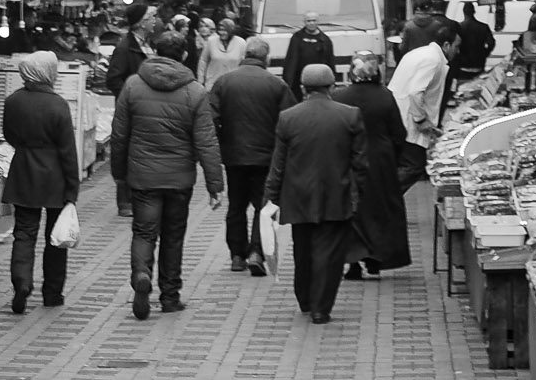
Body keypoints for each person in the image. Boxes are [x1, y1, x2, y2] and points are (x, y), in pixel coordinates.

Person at [109, 32, 224, 319]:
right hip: (179, 179)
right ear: (184, 55)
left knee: (144, 231)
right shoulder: (195, 91)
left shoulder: (133, 85)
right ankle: (170, 296)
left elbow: (119, 134)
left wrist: (119, 173)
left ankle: (141, 273)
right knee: (173, 237)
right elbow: (206, 142)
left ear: (154, 51)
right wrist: (214, 185)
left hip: (143, 176)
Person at [265, 62, 368, 325]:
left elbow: (279, 163)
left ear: (302, 88)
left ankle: (306, 299)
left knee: (303, 250)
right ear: (332, 87)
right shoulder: (350, 115)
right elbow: (360, 163)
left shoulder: (288, 117)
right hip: (337, 194)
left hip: (298, 195)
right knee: (330, 254)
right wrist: (358, 195)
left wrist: (271, 198)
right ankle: (321, 307)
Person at [0, 51, 81, 314]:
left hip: (23, 170)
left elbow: (8, 134)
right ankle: (52, 293)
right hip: (54, 175)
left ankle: (21, 282)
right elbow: (68, 150)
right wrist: (72, 187)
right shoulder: (58, 105)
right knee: (55, 238)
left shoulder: (13, 101)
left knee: (24, 232)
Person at [209, 38, 295, 276]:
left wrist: (221, 142)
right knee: (263, 205)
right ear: (265, 58)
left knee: (236, 205)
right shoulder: (277, 85)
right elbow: (289, 120)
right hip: (266, 156)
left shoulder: (224, 81)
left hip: (234, 156)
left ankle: (237, 255)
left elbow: (211, 117)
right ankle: (256, 251)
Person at [331, 52, 411, 279]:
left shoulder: (339, 96)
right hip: (380, 160)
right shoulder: (385, 96)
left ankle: (354, 260)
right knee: (380, 210)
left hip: (349, 158)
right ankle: (377, 259)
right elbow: (398, 132)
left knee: (353, 210)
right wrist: (394, 156)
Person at [386, 24, 452, 192]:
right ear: (446, 45)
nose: (457, 52)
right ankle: (386, 199)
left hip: (398, 114)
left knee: (403, 163)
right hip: (408, 119)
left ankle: (387, 201)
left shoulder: (420, 53)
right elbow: (416, 91)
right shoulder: (433, 59)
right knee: (413, 165)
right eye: (456, 47)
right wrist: (421, 119)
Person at [104, 2, 155, 98]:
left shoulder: (148, 44)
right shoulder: (124, 48)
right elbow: (113, 80)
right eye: (151, 17)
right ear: (142, 23)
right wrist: (132, 98)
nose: (154, 20)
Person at [281, 13, 338, 98]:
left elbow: (330, 62)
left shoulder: (325, 40)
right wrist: (288, 82)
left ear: (318, 22)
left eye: (314, 20)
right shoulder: (296, 38)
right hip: (298, 82)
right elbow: (290, 61)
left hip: (320, 81)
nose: (311, 23)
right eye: (309, 21)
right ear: (304, 22)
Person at [197, 18, 246, 91]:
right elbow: (203, 61)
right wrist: (200, 81)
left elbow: (244, 63)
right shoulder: (211, 41)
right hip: (212, 84)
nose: (222, 33)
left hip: (233, 85)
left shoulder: (241, 43)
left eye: (225, 30)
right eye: (220, 30)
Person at [454, 2, 497, 81]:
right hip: (479, 63)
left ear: (463, 12)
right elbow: (491, 43)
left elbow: (455, 45)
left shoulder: (459, 27)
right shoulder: (483, 27)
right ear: (474, 12)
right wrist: (485, 53)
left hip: (463, 65)